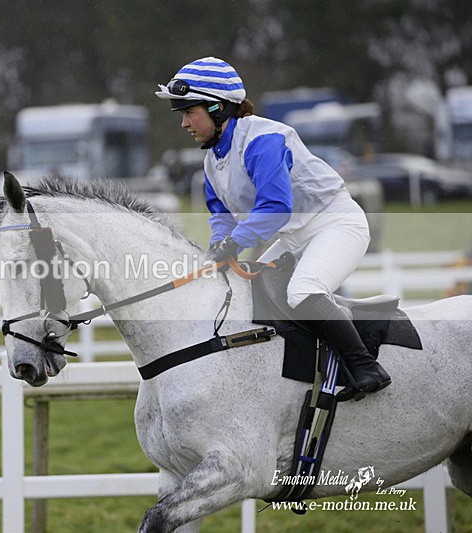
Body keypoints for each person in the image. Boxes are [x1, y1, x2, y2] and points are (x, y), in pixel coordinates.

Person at [155, 56, 390, 401]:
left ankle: (365, 366)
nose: (184, 123)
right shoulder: (211, 160)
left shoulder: (262, 140)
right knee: (253, 297)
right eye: (182, 114)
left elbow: (277, 208)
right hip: (294, 235)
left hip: (337, 222)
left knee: (302, 292)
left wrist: (233, 244)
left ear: (218, 108)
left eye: (190, 112)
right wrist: (219, 245)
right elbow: (221, 214)